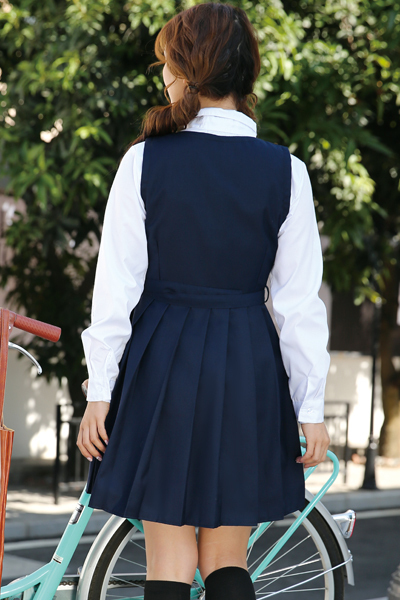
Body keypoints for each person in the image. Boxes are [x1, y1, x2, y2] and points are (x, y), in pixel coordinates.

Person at [77, 3, 331, 599]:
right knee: (226, 558)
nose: (163, 76)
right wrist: (311, 406)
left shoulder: (144, 160)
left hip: (162, 360)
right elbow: (298, 303)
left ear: (188, 71)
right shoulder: (287, 171)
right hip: (246, 365)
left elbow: (116, 288)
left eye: (167, 62)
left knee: (168, 557)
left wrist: (100, 390)